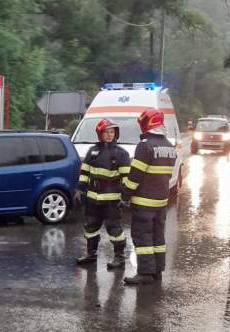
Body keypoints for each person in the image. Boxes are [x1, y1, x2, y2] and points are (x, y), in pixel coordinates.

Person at [122, 108, 177, 284]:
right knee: (157, 236)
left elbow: (135, 176)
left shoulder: (145, 146)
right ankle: (157, 270)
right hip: (161, 201)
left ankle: (145, 273)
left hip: (144, 201)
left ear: (147, 123)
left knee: (142, 235)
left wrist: (125, 195)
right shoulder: (169, 146)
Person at [76, 118, 131, 269]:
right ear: (99, 134)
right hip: (93, 198)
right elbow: (84, 172)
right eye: (106, 132)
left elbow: (127, 179)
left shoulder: (121, 154)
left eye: (112, 132)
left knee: (114, 230)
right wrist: (80, 189)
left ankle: (119, 258)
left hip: (111, 200)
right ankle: (91, 254)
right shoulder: (92, 151)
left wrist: (125, 198)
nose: (109, 135)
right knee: (91, 227)